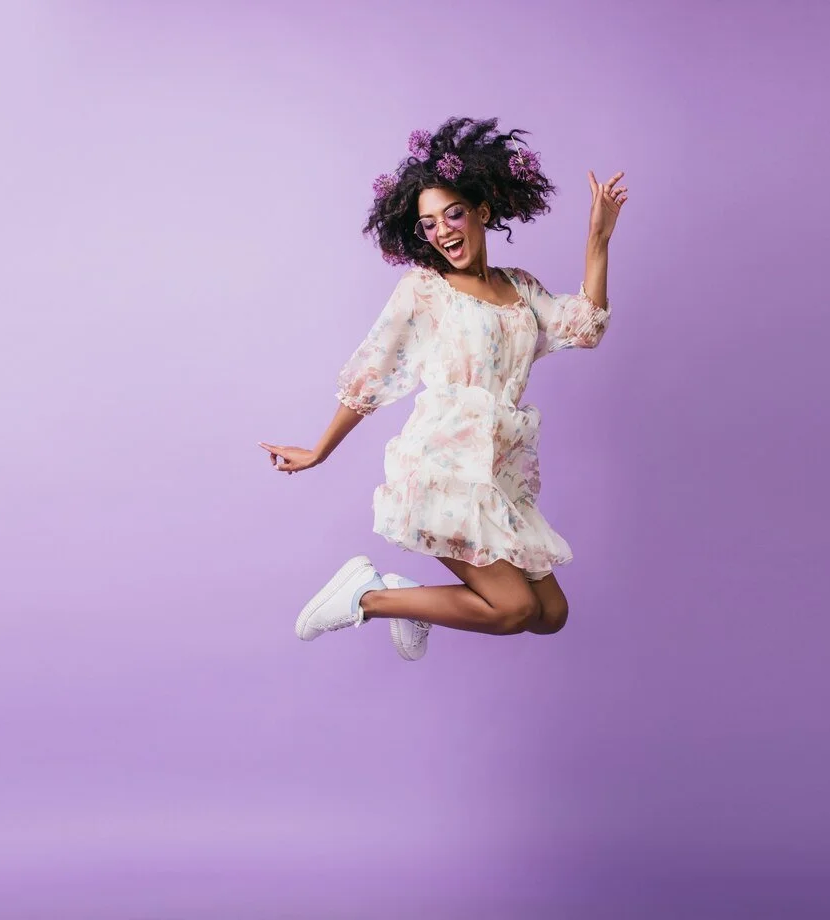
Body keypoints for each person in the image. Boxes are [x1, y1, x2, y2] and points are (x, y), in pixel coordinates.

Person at [260, 116, 627, 661]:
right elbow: (372, 372)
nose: (442, 231)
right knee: (514, 609)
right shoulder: (425, 290)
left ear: (482, 211)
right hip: (443, 463)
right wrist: (319, 450)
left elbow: (584, 328)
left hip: (496, 471)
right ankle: (369, 598)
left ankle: (411, 600)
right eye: (428, 224)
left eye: (453, 214)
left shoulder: (520, 287)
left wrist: (598, 239)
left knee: (551, 615)